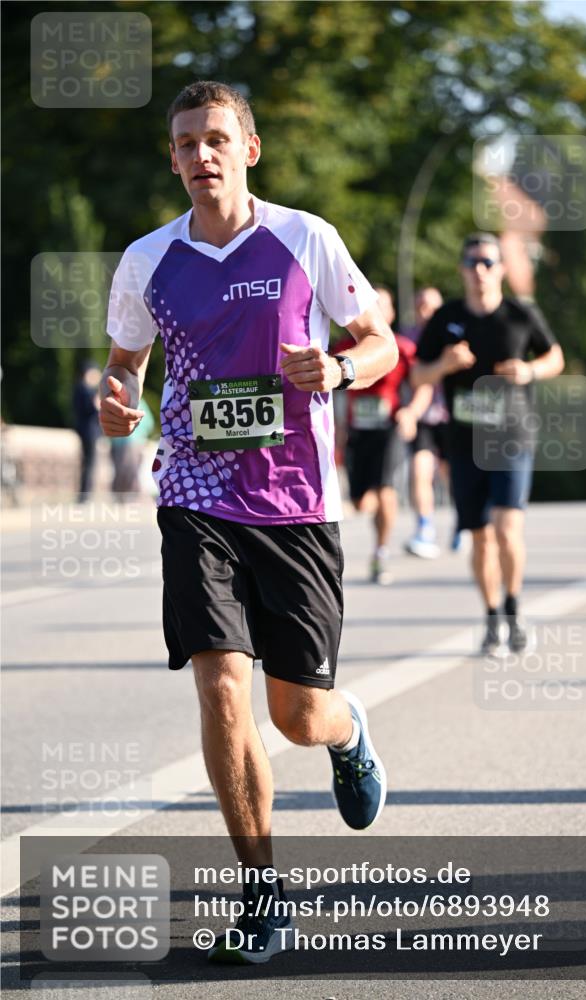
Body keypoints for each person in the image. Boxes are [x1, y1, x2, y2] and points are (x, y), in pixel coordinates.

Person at [99, 81, 397, 964]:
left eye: (216, 140)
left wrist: (339, 373)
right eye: (186, 143)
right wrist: (118, 403)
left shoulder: (306, 237)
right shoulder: (148, 260)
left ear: (248, 149)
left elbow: (378, 339)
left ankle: (346, 733)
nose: (201, 156)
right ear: (174, 157)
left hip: (296, 503)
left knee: (297, 714)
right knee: (221, 686)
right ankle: (263, 893)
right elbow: (123, 365)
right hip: (194, 496)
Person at [412, 233, 564, 655]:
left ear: (500, 269)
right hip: (464, 443)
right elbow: (417, 376)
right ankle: (492, 615)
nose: (480, 270)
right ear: (462, 269)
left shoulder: (520, 314)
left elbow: (555, 357)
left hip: (513, 437)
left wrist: (530, 371)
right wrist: (444, 364)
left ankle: (514, 612)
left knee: (507, 526)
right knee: (479, 537)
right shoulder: (446, 318)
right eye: (472, 262)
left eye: (488, 263)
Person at [337, 287, 432, 584]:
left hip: (389, 427)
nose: (376, 309)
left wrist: (411, 412)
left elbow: (424, 384)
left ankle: (380, 552)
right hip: (357, 430)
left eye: (383, 305)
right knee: (362, 501)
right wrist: (337, 427)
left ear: (390, 314)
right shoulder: (343, 346)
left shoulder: (402, 348)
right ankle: (373, 504)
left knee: (387, 489)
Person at [400, 286, 455, 559]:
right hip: (420, 417)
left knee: (450, 474)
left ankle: (463, 521)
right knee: (419, 473)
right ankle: (425, 529)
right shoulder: (408, 339)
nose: (426, 311)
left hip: (449, 416)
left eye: (431, 306)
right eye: (421, 305)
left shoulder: (452, 337)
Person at [72, 360, 101, 502]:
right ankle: (86, 494)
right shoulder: (86, 390)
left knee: (87, 463)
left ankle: (85, 494)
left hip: (84, 430)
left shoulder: (79, 388)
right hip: (89, 431)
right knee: (90, 463)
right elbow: (93, 408)